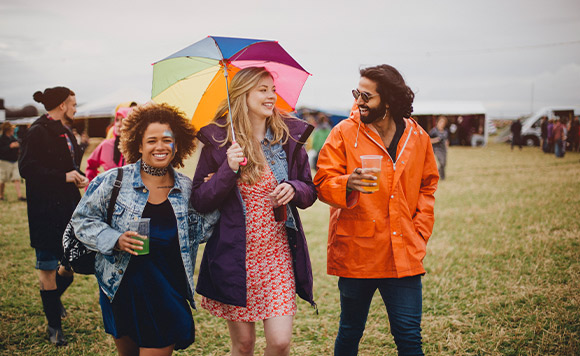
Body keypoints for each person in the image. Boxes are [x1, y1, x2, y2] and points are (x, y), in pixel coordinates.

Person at [70, 103, 216, 356]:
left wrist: (218, 190)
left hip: (166, 291)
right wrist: (115, 239)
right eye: (151, 140)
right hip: (121, 288)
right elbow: (82, 220)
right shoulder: (113, 181)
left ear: (177, 144)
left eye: (167, 140)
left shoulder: (187, 189)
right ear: (138, 145)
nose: (160, 147)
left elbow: (203, 230)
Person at [190, 67, 317, 356]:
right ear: (242, 94)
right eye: (262, 89)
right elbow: (200, 200)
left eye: (273, 89)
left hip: (277, 254)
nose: (271, 95)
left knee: (280, 341)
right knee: (244, 345)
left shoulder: (289, 137)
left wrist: (294, 189)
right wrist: (228, 169)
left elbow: (310, 191)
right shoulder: (219, 141)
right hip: (235, 256)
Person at [314, 64, 439, 356]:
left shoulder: (417, 136)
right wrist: (347, 182)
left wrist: (419, 231)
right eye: (357, 93)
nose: (358, 100)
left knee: (409, 337)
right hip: (358, 252)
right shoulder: (344, 133)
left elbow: (428, 185)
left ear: (389, 100)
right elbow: (321, 183)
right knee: (350, 331)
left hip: (403, 251)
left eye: (366, 96)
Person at [18, 86, 89, 346]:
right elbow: (27, 168)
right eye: (73, 103)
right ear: (61, 105)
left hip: (67, 209)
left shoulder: (65, 130)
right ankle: (54, 328)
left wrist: (75, 175)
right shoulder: (36, 131)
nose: (75, 107)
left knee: (69, 267)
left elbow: (65, 164)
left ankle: (52, 300)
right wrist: (63, 177)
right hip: (44, 212)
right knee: (48, 269)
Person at [85, 107, 132, 183]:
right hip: (109, 192)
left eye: (123, 120)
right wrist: (91, 187)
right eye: (117, 120)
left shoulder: (137, 147)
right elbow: (90, 166)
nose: (118, 124)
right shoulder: (106, 145)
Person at [0, 122, 25, 201]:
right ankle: (1, 195)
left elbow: (19, 143)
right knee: (2, 180)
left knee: (16, 178)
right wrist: (10, 146)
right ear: (8, 130)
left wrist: (17, 145)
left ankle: (20, 196)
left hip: (14, 161)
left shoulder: (12, 138)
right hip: (4, 162)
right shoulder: (2, 139)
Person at [429, 116, 449, 180]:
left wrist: (447, 146)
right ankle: (438, 174)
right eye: (441, 122)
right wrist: (436, 140)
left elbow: (446, 140)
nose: (442, 124)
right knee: (441, 162)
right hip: (437, 149)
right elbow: (428, 140)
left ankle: (442, 177)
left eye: (443, 123)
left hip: (443, 149)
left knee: (444, 163)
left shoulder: (445, 131)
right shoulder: (433, 131)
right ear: (437, 122)